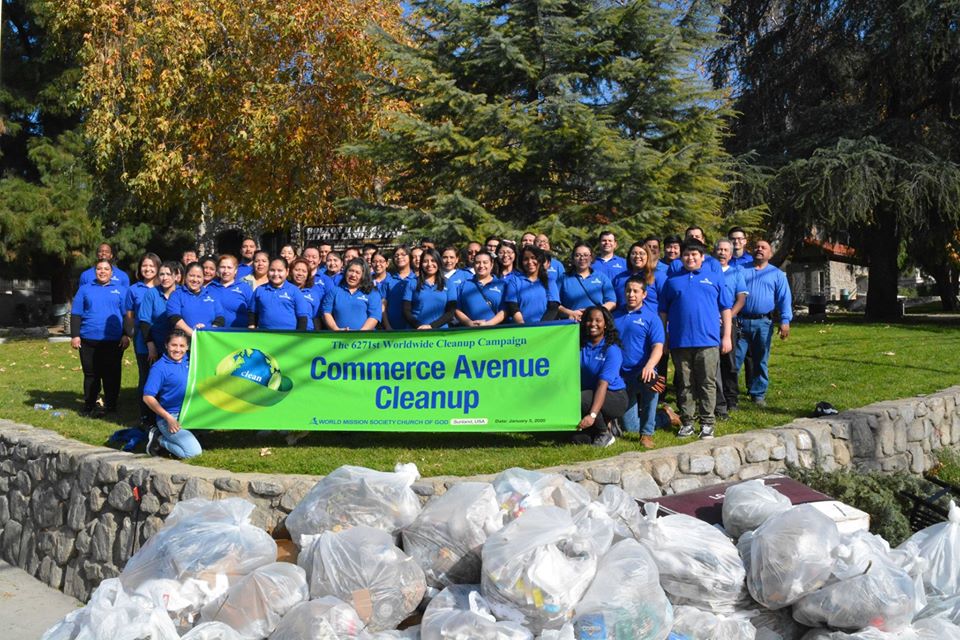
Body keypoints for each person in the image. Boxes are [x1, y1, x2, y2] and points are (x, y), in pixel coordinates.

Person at [659, 240, 733, 440]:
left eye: (694, 255)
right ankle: (687, 422)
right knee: (685, 383)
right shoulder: (672, 281)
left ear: (702, 257)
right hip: (679, 342)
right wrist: (664, 338)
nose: (690, 258)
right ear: (681, 257)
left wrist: (726, 336)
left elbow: (725, 309)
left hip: (708, 341)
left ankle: (707, 422)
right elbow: (663, 312)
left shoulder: (714, 278)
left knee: (707, 382)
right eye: (686, 255)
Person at [736, 239, 792, 407]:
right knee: (735, 360)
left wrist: (785, 320)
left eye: (764, 248)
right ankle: (729, 394)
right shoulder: (740, 270)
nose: (759, 249)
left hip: (763, 323)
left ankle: (758, 394)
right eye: (757, 247)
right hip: (740, 322)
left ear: (770, 253)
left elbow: (784, 298)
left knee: (761, 359)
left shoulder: (777, 275)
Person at [71, 259, 130, 417]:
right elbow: (76, 313)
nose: (102, 271)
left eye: (106, 269)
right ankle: (89, 405)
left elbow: (127, 315)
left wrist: (126, 334)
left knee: (112, 374)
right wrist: (75, 335)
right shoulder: (85, 289)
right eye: (99, 269)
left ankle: (111, 406)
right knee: (91, 375)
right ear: (95, 271)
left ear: (112, 272)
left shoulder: (121, 290)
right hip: (88, 339)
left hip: (113, 340)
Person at [613, 277, 665, 448]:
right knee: (631, 427)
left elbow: (658, 346)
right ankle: (664, 416)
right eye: (628, 290)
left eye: (636, 291)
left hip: (644, 373)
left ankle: (647, 434)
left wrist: (650, 366)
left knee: (653, 382)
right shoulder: (615, 316)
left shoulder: (651, 318)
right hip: (622, 376)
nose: (631, 295)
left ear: (644, 294)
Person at [142, 329, 202, 459]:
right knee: (194, 453)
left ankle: (191, 434)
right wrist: (168, 418)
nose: (177, 350)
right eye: (173, 345)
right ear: (166, 345)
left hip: (192, 413)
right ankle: (160, 440)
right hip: (170, 417)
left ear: (187, 347)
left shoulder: (192, 361)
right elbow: (147, 397)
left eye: (182, 346)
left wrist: (202, 330)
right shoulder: (159, 368)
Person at [574, 306, 627, 448]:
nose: (593, 324)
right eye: (589, 320)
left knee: (582, 398)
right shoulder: (580, 346)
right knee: (578, 439)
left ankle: (605, 433)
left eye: (598, 320)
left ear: (606, 325)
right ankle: (609, 425)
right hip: (591, 394)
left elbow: (602, 384)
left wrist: (592, 415)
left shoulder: (612, 350)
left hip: (615, 397)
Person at [124, 253, 160, 428]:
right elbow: (130, 315)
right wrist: (129, 333)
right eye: (145, 266)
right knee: (146, 377)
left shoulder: (166, 286)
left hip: (164, 338)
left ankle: (162, 415)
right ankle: (145, 417)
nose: (148, 269)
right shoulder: (134, 289)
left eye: (152, 266)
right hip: (143, 339)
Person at [715, 239, 749, 415]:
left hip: (729, 322)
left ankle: (731, 399)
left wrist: (727, 316)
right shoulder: (709, 272)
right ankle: (715, 400)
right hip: (710, 323)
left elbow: (741, 299)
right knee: (712, 363)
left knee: (729, 362)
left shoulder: (736, 273)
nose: (722, 253)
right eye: (719, 249)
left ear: (730, 254)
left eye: (725, 250)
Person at [248, 257, 311, 330]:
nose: (276, 274)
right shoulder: (259, 290)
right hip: (264, 336)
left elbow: (302, 318)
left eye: (280, 270)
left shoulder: (295, 291)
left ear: (287, 271)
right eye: (272, 270)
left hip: (289, 337)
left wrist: (299, 336)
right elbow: (252, 313)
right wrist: (252, 330)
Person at [321, 258, 383, 331]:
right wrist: (336, 330)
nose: (353, 275)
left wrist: (360, 333)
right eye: (350, 271)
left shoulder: (372, 293)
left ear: (364, 276)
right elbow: (326, 312)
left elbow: (374, 316)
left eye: (357, 272)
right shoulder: (335, 290)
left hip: (364, 339)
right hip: (338, 338)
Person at [559, 242, 616, 321]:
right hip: (572, 324)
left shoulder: (602, 277)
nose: (582, 258)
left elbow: (612, 302)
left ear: (591, 258)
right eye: (577, 255)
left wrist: (595, 312)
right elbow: (555, 304)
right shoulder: (563, 278)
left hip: (596, 323)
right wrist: (570, 313)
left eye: (586, 255)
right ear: (573, 258)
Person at [138, 261, 182, 362]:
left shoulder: (182, 292)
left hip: (177, 348)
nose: (165, 277)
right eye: (162, 274)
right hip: (153, 346)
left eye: (168, 274)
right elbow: (144, 321)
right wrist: (150, 346)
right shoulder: (151, 293)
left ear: (176, 276)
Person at [504, 245, 560, 324]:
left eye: (533, 258)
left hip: (545, 329)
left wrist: (539, 328)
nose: (530, 262)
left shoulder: (549, 281)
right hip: (521, 329)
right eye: (526, 259)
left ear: (540, 260)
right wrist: (523, 326)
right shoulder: (515, 280)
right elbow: (513, 307)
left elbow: (553, 307)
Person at [403, 249, 457, 329]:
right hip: (416, 331)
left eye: (433, 260)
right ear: (421, 264)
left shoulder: (448, 283)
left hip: (440, 332)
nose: (429, 264)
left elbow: (451, 312)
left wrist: (431, 326)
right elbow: (406, 311)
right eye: (425, 261)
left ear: (439, 262)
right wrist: (419, 326)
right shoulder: (412, 283)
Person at [167, 262, 225, 337]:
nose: (195, 279)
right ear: (185, 276)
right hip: (183, 343)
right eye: (191, 276)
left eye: (199, 276)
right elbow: (174, 318)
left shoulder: (212, 295)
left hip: (208, 339)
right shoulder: (176, 295)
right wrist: (194, 334)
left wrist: (209, 332)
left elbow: (220, 317)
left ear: (203, 278)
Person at [455, 251, 506, 326]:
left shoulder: (502, 285)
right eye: (478, 262)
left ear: (491, 265)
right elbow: (457, 309)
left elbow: (505, 310)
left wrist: (489, 324)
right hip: (470, 332)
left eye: (485, 262)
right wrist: (469, 323)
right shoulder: (463, 285)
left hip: (496, 332)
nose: (481, 265)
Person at [611, 242, 662, 313]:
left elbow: (666, 303)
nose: (637, 256)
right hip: (623, 320)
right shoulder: (619, 278)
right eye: (634, 253)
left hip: (649, 321)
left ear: (648, 256)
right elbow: (613, 302)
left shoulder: (658, 276)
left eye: (641, 253)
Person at [207, 254, 254, 329]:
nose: (226, 271)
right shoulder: (209, 288)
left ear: (235, 270)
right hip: (215, 335)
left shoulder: (244, 287)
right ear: (218, 269)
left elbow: (252, 311)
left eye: (229, 268)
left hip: (239, 334)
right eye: (222, 267)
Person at [382, 246, 417, 330]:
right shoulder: (388, 280)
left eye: (403, 254)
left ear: (410, 257)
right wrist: (387, 326)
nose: (399, 257)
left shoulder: (417, 279)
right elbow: (383, 306)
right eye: (396, 255)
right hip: (393, 328)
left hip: (414, 327)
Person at [287, 257, 324, 330]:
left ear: (308, 275)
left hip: (307, 334)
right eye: (297, 270)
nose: (300, 274)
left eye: (304, 271)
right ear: (290, 272)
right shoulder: (285, 290)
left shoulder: (313, 294)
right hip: (288, 331)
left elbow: (316, 318)